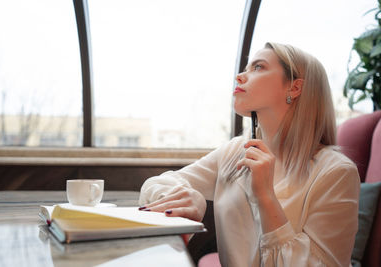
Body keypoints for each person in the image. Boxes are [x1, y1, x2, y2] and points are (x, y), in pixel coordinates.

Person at [138, 42, 360, 266]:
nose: (240, 77)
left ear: (294, 87)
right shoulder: (235, 151)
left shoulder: (337, 173)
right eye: (246, 68)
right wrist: (189, 196)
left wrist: (265, 196)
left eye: (258, 67)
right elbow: (157, 183)